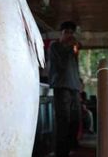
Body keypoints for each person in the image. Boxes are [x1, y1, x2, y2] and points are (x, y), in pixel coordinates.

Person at [48, 21, 82, 157]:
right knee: (63, 120)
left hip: (74, 87)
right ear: (60, 34)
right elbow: (61, 64)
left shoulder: (72, 49)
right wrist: (70, 46)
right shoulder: (54, 46)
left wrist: (79, 82)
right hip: (61, 86)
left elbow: (73, 66)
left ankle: (71, 145)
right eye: (66, 32)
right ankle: (61, 152)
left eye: (71, 33)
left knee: (75, 118)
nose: (69, 35)